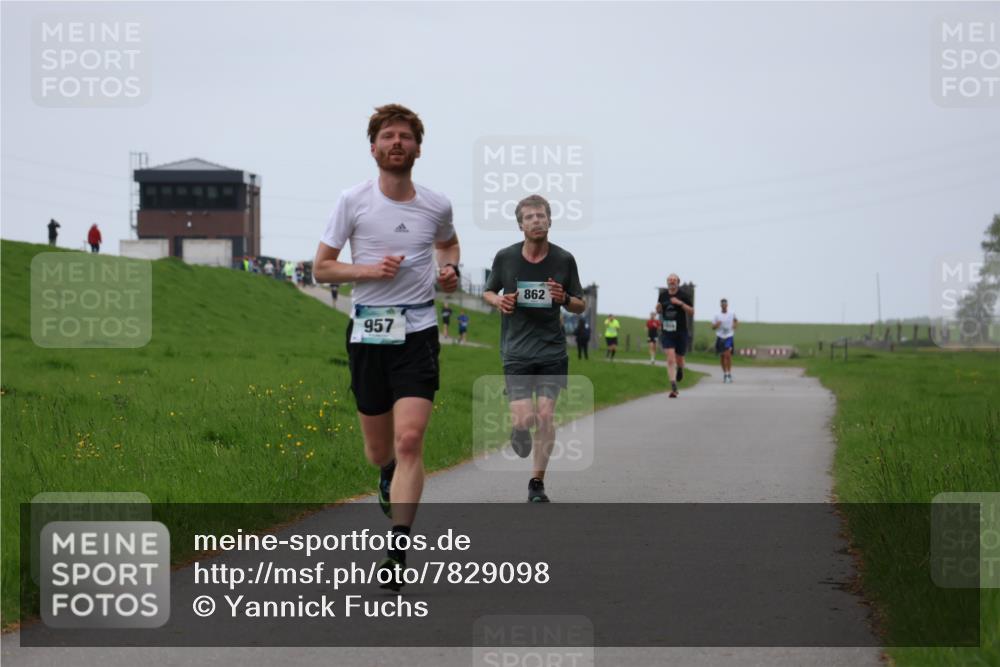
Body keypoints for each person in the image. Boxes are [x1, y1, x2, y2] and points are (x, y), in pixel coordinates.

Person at [313, 104, 459, 588]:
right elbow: (322, 268)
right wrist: (369, 271)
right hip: (368, 332)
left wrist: (449, 269)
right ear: (373, 147)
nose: (397, 142)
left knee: (410, 438)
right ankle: (386, 472)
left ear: (418, 148)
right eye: (388, 136)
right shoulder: (352, 201)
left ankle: (398, 548)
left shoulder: (436, 205)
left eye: (406, 136)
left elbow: (448, 244)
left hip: (418, 331)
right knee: (379, 450)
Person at [484, 194, 585, 503]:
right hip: (516, 351)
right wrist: (499, 301)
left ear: (549, 221)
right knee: (524, 419)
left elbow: (580, 305)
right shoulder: (506, 257)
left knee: (545, 414)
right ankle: (518, 430)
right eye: (529, 217)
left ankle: (536, 483)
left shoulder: (564, 259)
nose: (536, 221)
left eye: (541, 216)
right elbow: (488, 291)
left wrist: (564, 298)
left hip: (552, 351)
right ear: (521, 225)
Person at [656, 273, 694, 398]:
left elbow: (691, 311)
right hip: (667, 331)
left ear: (678, 282)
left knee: (680, 358)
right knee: (670, 358)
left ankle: (681, 369)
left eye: (674, 280)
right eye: (669, 280)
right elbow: (659, 310)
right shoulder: (663, 295)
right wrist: (658, 308)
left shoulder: (684, 295)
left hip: (681, 331)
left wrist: (680, 303)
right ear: (667, 282)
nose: (671, 282)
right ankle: (673, 386)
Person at [712, 298, 738, 383]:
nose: (724, 306)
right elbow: (713, 327)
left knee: (728, 355)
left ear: (727, 305)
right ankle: (725, 374)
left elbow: (736, 320)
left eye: (725, 304)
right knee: (722, 356)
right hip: (720, 337)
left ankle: (729, 374)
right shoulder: (717, 315)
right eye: (722, 304)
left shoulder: (731, 313)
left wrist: (734, 325)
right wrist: (717, 325)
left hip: (729, 336)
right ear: (721, 305)